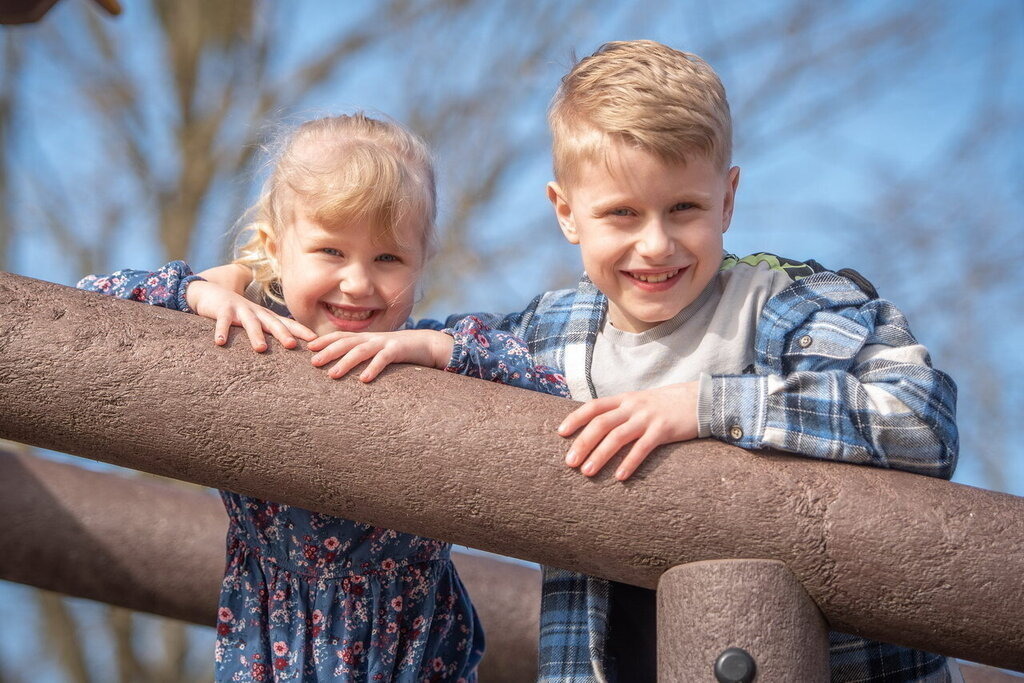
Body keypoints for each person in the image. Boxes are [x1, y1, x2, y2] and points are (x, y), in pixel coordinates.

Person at [294, 43, 961, 682]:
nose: (656, 243)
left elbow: (920, 416)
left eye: (685, 209)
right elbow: (393, 333)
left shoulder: (793, 310)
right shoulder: (547, 337)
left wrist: (706, 404)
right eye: (622, 213)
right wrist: (241, 280)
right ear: (567, 212)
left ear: (727, 199)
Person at [76, 113, 545, 682]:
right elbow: (93, 303)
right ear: (277, 249)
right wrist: (204, 289)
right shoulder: (255, 335)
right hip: (274, 640)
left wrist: (439, 347)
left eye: (388, 259)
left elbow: (542, 383)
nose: (357, 282)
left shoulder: (425, 354)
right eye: (330, 251)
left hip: (409, 652)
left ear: (423, 262)